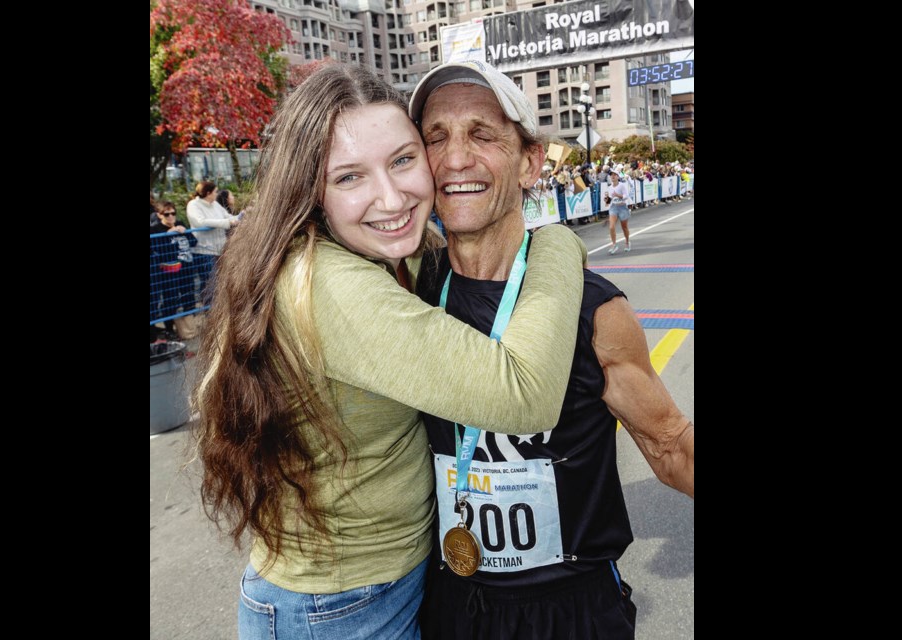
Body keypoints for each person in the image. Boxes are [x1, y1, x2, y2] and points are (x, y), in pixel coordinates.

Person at [191, 63, 588, 640]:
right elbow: (522, 393)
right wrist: (553, 243)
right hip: (340, 610)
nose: (391, 195)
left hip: (367, 590)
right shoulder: (331, 284)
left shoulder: (377, 254)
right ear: (311, 192)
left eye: (403, 160)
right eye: (349, 177)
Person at [407, 59, 695, 640]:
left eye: (482, 135)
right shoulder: (407, 294)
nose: (456, 158)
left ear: (530, 162)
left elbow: (670, 447)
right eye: (436, 138)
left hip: (574, 610)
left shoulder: (593, 308)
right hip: (451, 605)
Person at [149, 201, 199, 340]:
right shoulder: (155, 229)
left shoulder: (180, 223)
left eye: (173, 213)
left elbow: (194, 242)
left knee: (188, 296)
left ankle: (189, 327)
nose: (171, 217)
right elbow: (157, 249)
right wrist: (167, 233)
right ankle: (169, 328)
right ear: (160, 215)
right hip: (169, 270)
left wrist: (185, 231)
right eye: (167, 214)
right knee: (170, 299)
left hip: (186, 267)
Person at [186, 180, 241, 303]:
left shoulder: (215, 205)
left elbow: (227, 217)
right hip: (204, 251)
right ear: (208, 193)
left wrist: (241, 216)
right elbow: (200, 222)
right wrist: (226, 223)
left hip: (219, 250)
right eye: (215, 192)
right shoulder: (193, 205)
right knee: (210, 284)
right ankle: (208, 311)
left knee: (220, 283)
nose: (217, 194)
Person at [605, 168, 631, 254]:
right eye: (611, 175)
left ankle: (627, 242)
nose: (612, 176)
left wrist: (618, 195)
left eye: (614, 175)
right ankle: (614, 244)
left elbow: (626, 196)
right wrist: (606, 200)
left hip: (622, 207)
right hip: (613, 207)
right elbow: (609, 200)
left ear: (617, 177)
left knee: (624, 227)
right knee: (611, 227)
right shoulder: (609, 187)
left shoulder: (622, 185)